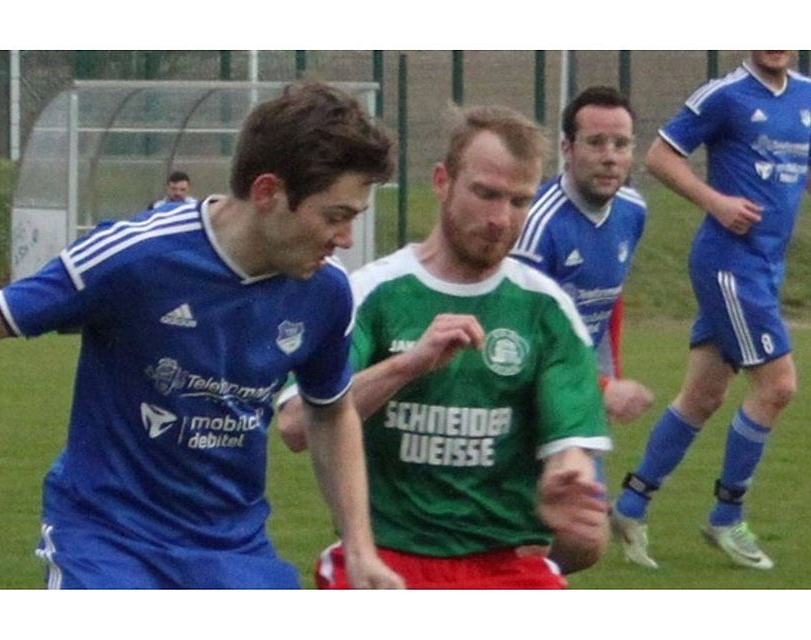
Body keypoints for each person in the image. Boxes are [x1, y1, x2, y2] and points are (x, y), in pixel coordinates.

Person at [0, 83, 405, 590]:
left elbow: (330, 408)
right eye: (335, 216)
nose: (346, 238)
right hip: (109, 539)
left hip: (230, 550)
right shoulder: (138, 256)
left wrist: (358, 545)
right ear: (268, 191)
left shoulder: (326, 293)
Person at [277, 104, 612, 589]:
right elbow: (295, 424)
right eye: (485, 194)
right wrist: (408, 365)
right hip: (386, 556)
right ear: (442, 182)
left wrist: (570, 480)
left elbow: (570, 447)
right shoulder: (371, 294)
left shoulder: (546, 311)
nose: (501, 218)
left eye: (519, 201)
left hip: (505, 565)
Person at [611, 51, 811, 570]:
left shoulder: (807, 97)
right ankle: (727, 516)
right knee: (778, 385)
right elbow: (659, 156)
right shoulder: (723, 95)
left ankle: (630, 506)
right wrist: (715, 201)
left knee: (702, 395)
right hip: (729, 262)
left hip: (765, 267)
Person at [511, 86, 654, 427]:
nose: (610, 156)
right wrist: (604, 387)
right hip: (525, 404)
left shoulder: (632, 211)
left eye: (621, 144)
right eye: (595, 142)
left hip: (579, 392)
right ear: (567, 148)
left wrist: (608, 377)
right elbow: (518, 339)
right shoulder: (538, 227)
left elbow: (608, 299)